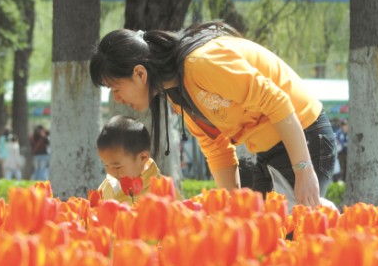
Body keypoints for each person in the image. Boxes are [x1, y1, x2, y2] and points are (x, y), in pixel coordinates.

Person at [90, 21, 336, 206]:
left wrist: (303, 170)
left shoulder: (201, 64)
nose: (117, 98)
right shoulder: (178, 92)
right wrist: (232, 208)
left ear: (140, 74)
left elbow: (277, 102)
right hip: (267, 152)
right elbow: (216, 148)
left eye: (115, 88)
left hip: (305, 138)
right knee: (257, 241)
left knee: (283, 242)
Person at [96, 115, 161, 204]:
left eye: (117, 167)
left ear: (143, 158)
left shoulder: (159, 192)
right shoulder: (108, 184)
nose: (110, 171)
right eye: (106, 165)